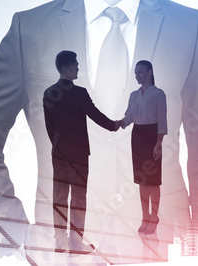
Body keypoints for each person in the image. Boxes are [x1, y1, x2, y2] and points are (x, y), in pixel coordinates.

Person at [0, 0, 198, 261]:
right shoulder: (28, 27)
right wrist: (15, 231)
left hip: (163, 242)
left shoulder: (189, 24)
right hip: (58, 251)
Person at [43, 50, 118, 253]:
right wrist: (115, 125)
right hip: (78, 153)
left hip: (59, 151)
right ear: (68, 67)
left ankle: (60, 242)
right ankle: (76, 244)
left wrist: (58, 143)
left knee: (59, 196)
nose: (77, 68)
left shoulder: (49, 93)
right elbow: (95, 115)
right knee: (78, 197)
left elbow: (49, 127)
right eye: (75, 65)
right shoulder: (80, 93)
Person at [118, 60, 166, 235]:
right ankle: (145, 217)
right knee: (142, 181)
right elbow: (129, 117)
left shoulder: (159, 94)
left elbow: (162, 121)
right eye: (135, 73)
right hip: (137, 137)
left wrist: (159, 143)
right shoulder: (133, 95)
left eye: (140, 72)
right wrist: (117, 123)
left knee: (153, 181)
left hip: (152, 137)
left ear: (149, 72)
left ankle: (154, 217)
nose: (137, 76)